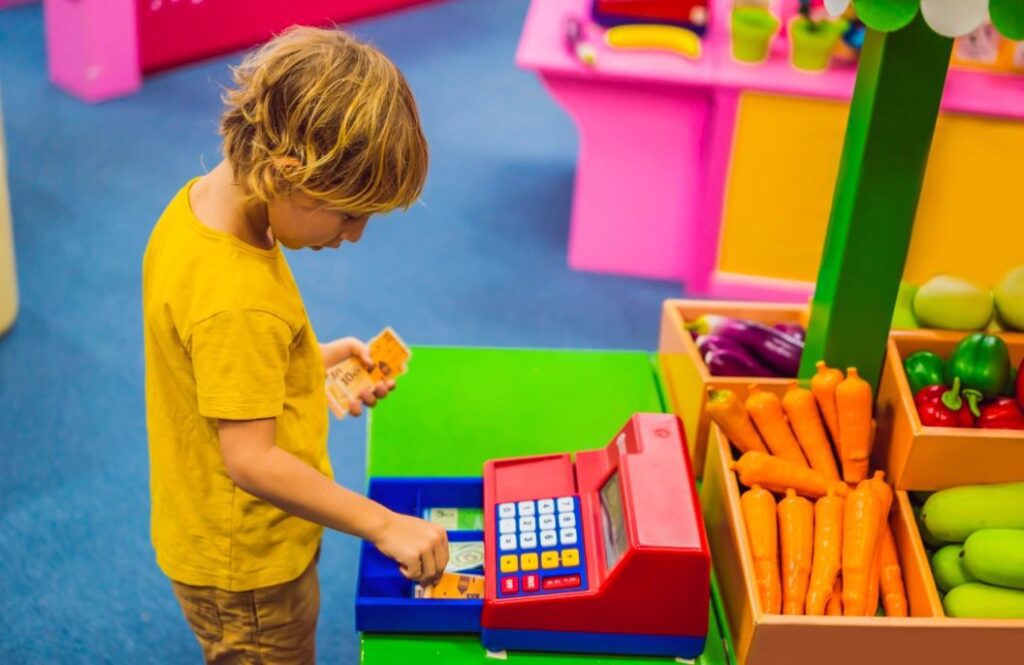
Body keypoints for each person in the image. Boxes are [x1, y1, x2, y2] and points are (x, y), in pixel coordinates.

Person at [142, 26, 448, 663]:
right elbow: (251, 462)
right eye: (347, 214)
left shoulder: (203, 208)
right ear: (287, 175)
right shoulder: (239, 298)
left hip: (221, 531)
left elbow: (217, 363)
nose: (356, 235)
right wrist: (384, 524)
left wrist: (310, 359)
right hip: (248, 564)